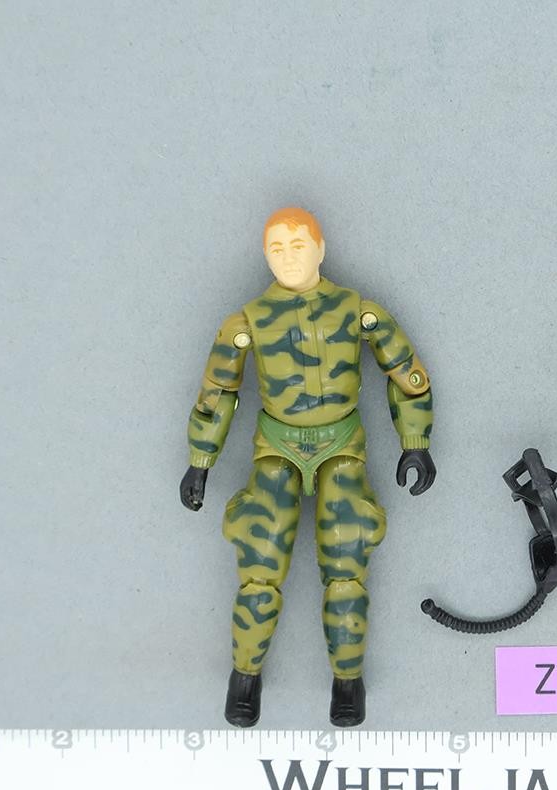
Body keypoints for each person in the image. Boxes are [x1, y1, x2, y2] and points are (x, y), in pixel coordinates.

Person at [179, 206, 436, 727]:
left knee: (347, 561)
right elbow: (217, 393)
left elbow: (404, 370)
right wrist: (201, 460)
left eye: (298, 246)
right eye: (276, 249)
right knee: (260, 561)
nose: (288, 258)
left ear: (321, 249)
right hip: (277, 446)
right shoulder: (248, 321)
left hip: (341, 444)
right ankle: (244, 676)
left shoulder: (354, 310)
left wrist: (414, 440)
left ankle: (348, 680)